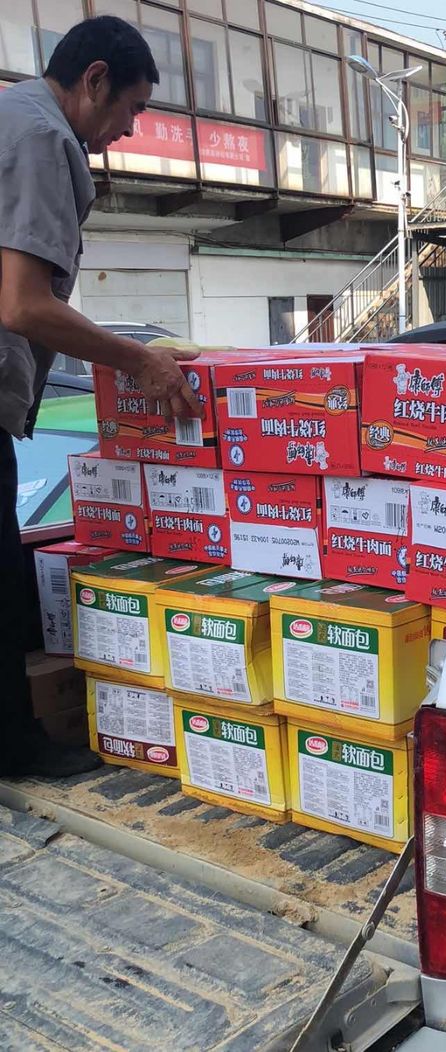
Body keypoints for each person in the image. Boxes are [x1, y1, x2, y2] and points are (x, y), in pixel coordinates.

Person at [0, 17, 203, 778]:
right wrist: (140, 362)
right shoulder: (41, 138)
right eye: (132, 108)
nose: (130, 130)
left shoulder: (10, 117)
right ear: (93, 80)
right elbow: (22, 304)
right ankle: (14, 749)